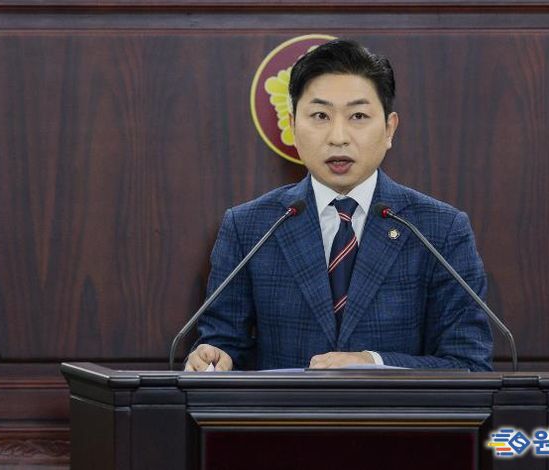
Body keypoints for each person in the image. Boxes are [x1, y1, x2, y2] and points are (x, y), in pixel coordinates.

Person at [185, 39, 493, 372]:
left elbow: (468, 364)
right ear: (292, 126)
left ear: (389, 128)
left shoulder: (441, 230)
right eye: (320, 115)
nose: (338, 137)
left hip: (395, 409)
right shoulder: (248, 227)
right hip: (283, 408)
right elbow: (224, 343)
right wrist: (214, 359)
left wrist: (373, 364)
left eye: (358, 116)